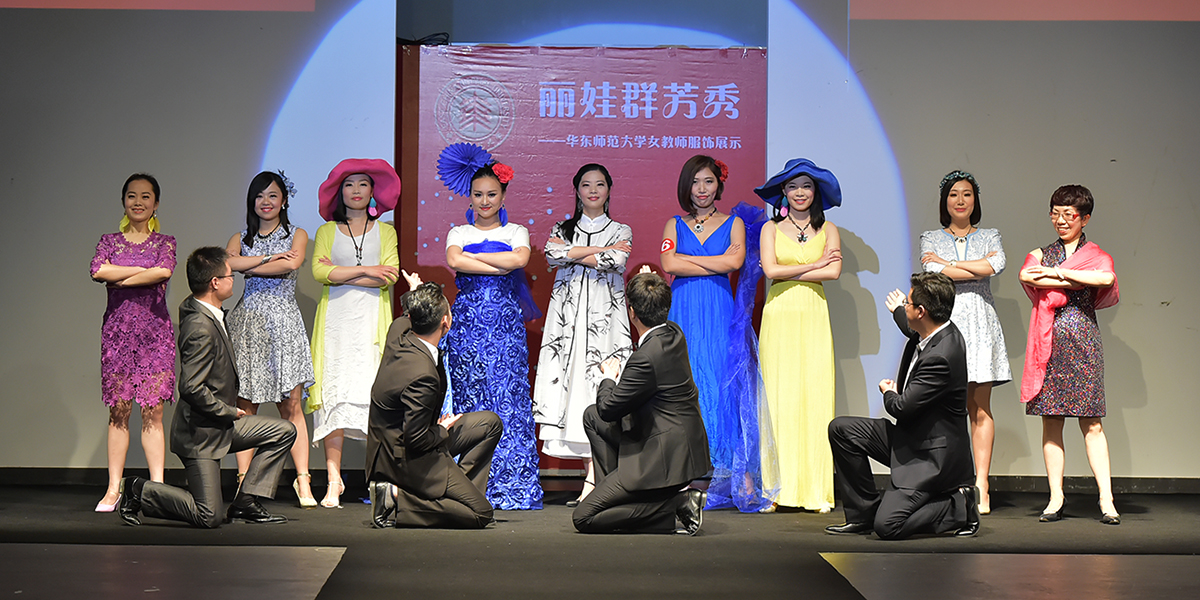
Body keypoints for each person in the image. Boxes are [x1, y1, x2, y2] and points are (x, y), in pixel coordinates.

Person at [117, 247, 297, 528]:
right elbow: (191, 387)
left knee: (283, 431)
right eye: (230, 275)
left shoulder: (206, 311)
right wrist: (228, 411)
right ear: (215, 282)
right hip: (200, 434)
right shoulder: (200, 326)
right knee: (208, 515)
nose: (233, 280)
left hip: (221, 426)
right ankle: (138, 489)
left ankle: (245, 503)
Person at [826, 273, 979, 540]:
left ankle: (958, 506)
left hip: (931, 460)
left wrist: (888, 392)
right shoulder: (935, 330)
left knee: (888, 526)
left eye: (908, 304)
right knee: (842, 430)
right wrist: (898, 310)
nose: (905, 306)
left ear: (921, 312)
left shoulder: (941, 357)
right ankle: (862, 514)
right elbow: (910, 329)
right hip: (911, 439)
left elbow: (901, 407)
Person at [439, 143, 543, 510]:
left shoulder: (517, 230)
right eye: (478, 194)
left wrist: (476, 260)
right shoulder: (458, 232)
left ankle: (512, 484)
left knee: (507, 396)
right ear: (470, 196)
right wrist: (499, 263)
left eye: (492, 194)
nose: (484, 201)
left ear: (503, 196)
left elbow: (520, 260)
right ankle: (465, 484)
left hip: (505, 326)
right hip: (467, 325)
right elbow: (454, 260)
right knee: (469, 395)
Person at [572, 270, 711, 534]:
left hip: (663, 459)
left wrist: (608, 378)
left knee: (584, 517)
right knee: (591, 416)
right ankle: (625, 499)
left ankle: (675, 503)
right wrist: (652, 285)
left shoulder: (645, 358)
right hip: (678, 445)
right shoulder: (674, 333)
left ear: (632, 312)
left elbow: (609, 409)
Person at [365, 273, 503, 529]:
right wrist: (442, 429)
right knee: (481, 514)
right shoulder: (423, 375)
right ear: (445, 322)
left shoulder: (399, 332)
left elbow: (407, 314)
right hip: (405, 458)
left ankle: (457, 497)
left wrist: (415, 291)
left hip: (397, 443)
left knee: (489, 423)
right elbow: (415, 440)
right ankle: (396, 495)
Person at [1018, 185, 1120, 525]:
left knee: (1092, 423)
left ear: (1084, 218)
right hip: (1048, 346)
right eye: (1055, 213)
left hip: (1083, 343)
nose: (1060, 220)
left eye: (1068, 215)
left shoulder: (1096, 254)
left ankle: (1106, 499)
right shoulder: (1040, 252)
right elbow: (1026, 274)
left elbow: (1105, 278)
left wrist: (1057, 273)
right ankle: (1055, 497)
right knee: (1051, 420)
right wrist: (1076, 280)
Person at [533, 163, 634, 507]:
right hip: (568, 323)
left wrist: (573, 254)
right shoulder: (562, 228)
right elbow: (552, 253)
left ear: (609, 190)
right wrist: (595, 252)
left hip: (605, 321)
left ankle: (596, 480)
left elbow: (616, 259)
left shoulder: (621, 229)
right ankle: (590, 478)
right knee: (572, 387)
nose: (593, 190)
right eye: (586, 185)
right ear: (577, 190)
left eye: (600, 184)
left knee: (601, 388)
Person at [308, 158, 401, 509]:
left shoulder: (386, 231)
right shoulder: (327, 231)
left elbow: (390, 275)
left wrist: (343, 272)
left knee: (374, 396)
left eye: (363, 184)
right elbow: (319, 272)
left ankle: (379, 478)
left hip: (371, 323)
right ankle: (334, 480)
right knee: (334, 396)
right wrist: (369, 271)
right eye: (349, 184)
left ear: (373, 190)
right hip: (336, 324)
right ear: (340, 192)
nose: (356, 190)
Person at [919, 171, 1011, 515]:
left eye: (967, 194)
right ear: (945, 201)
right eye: (954, 194)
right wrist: (973, 267)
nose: (960, 200)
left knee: (980, 406)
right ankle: (946, 483)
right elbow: (932, 271)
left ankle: (981, 484)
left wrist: (952, 265)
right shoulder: (930, 237)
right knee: (943, 408)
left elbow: (996, 265)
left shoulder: (990, 235)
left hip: (981, 323)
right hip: (945, 322)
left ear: (976, 200)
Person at [753, 158, 842, 513]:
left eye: (806, 186)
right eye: (792, 186)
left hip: (814, 313)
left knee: (815, 396)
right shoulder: (770, 229)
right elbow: (770, 270)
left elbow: (834, 273)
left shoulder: (829, 229)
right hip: (780, 314)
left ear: (815, 191)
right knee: (778, 398)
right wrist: (815, 265)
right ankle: (776, 490)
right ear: (783, 192)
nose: (800, 192)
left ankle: (816, 491)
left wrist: (799, 270)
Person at [224, 171, 317, 508]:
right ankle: (244, 483)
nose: (266, 202)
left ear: (284, 200)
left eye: (273, 195)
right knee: (245, 406)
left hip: (284, 325)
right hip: (248, 325)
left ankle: (303, 480)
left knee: (291, 406)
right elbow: (228, 263)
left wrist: (250, 266)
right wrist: (267, 258)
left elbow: (289, 266)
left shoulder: (297, 234)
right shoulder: (240, 237)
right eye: (260, 196)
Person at [659, 154, 744, 509]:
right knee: (687, 380)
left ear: (718, 184)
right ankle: (686, 468)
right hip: (684, 308)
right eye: (695, 182)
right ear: (686, 186)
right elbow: (668, 263)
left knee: (719, 379)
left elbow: (735, 262)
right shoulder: (674, 224)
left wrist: (688, 261)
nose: (702, 188)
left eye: (708, 181)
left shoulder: (734, 223)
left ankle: (721, 470)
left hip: (719, 309)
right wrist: (714, 263)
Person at [89, 173, 176, 513]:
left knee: (153, 413)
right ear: (124, 201)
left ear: (156, 203)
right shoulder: (108, 241)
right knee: (119, 411)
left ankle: (158, 489)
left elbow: (164, 271)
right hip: (118, 336)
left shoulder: (164, 242)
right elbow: (98, 270)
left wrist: (121, 277)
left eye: (145, 196)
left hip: (155, 336)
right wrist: (142, 272)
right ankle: (113, 488)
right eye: (131, 196)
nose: (138, 202)